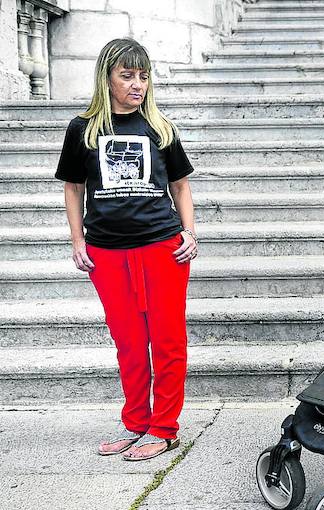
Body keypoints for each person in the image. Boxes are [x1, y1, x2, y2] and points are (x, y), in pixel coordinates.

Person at [56, 38, 198, 461]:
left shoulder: (159, 127)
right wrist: (77, 240)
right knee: (130, 343)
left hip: (161, 248)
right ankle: (136, 421)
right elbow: (73, 188)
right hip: (108, 254)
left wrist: (190, 232)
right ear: (107, 77)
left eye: (143, 76)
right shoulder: (82, 129)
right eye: (127, 75)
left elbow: (181, 186)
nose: (137, 85)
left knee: (168, 341)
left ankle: (165, 427)